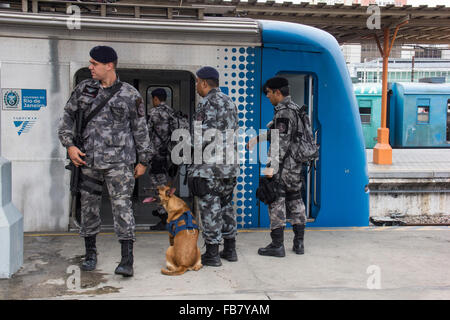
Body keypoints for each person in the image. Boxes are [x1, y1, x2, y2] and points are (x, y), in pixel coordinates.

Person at [58, 45, 151, 277]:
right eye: (90, 63)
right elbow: (67, 116)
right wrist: (69, 145)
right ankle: (90, 254)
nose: (90, 67)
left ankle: (126, 260)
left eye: (94, 64)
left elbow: (140, 130)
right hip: (87, 162)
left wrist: (144, 160)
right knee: (88, 208)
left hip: (119, 164)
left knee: (123, 208)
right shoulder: (84, 90)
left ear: (109, 65)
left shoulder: (130, 95)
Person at [247, 76, 307, 257]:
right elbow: (278, 133)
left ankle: (277, 245)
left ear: (278, 93)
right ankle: (299, 243)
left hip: (281, 166)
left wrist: (270, 168)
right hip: (295, 167)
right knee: (296, 200)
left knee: (275, 202)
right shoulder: (296, 109)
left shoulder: (283, 112)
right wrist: (257, 139)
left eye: (268, 93)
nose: (267, 97)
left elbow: (279, 142)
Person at [188, 66, 240, 266]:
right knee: (226, 206)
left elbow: (200, 137)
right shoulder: (230, 102)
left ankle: (212, 254)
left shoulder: (206, 103)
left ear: (203, 82)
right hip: (229, 167)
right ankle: (230, 249)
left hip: (210, 168)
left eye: (197, 83)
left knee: (210, 208)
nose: (197, 87)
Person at [147, 88, 173, 230]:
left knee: (158, 187)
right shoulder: (172, 113)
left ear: (156, 99)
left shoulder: (153, 113)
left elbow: (146, 132)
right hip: (168, 156)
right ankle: (164, 214)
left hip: (156, 154)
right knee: (165, 185)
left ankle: (165, 218)